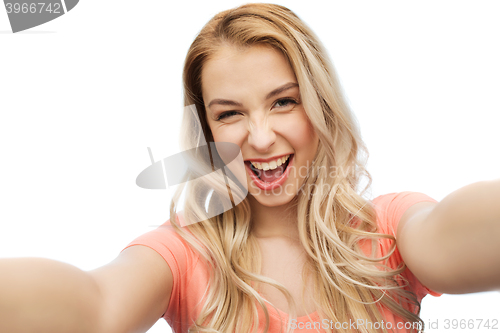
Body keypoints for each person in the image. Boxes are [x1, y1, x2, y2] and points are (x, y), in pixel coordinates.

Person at [1, 3, 499, 333]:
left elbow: (454, 238)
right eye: (230, 113)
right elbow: (93, 305)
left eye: (283, 102)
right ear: (206, 132)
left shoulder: (387, 231)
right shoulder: (181, 255)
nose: (259, 137)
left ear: (320, 106)